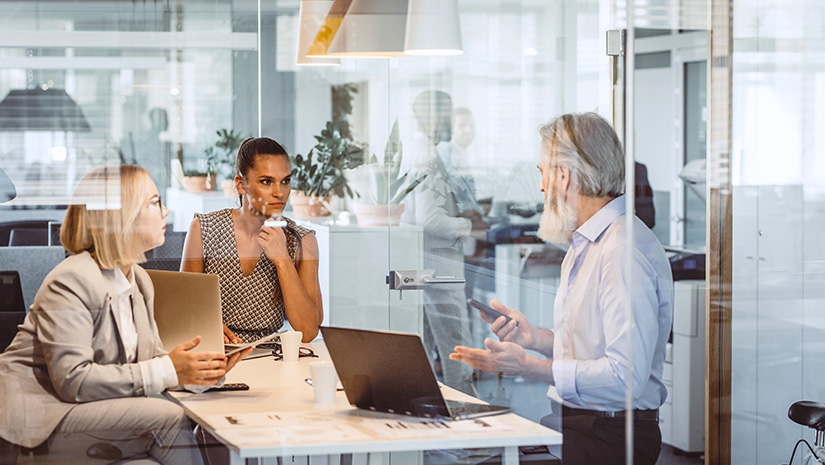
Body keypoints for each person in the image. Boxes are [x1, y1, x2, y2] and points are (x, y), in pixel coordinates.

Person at [450, 112, 673, 465]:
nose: (541, 187)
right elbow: (594, 344)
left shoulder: (620, 251)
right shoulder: (587, 243)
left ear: (564, 176)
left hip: (610, 439)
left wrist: (531, 367)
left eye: (542, 173)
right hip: (578, 428)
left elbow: (624, 375)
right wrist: (534, 338)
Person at [0, 164, 250, 464]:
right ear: (123, 216)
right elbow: (72, 381)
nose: (166, 211)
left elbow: (150, 363)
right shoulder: (71, 279)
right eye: (155, 203)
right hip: (39, 419)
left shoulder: (138, 280)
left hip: (89, 412)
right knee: (166, 417)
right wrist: (169, 369)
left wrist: (200, 372)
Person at [181, 137, 322, 344]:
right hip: (215, 352)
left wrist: (282, 260)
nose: (279, 192)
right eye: (266, 181)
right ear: (241, 184)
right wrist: (205, 325)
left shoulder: (302, 240)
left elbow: (308, 331)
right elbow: (184, 311)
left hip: (272, 359)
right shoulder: (203, 229)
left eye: (285, 181)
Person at [400, 91, 483, 394]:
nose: (449, 121)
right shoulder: (426, 154)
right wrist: (468, 226)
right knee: (458, 349)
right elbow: (429, 218)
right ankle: (467, 419)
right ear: (434, 117)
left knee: (431, 346)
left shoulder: (415, 148)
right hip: (440, 268)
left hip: (425, 264)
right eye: (446, 115)